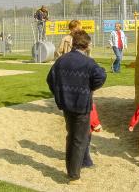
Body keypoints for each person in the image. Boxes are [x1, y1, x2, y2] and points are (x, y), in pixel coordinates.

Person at [47, 30, 106, 184]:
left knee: (71, 136)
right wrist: (90, 88)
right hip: (81, 106)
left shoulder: (61, 60)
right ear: (86, 45)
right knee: (79, 139)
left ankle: (76, 167)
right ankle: (73, 175)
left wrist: (60, 94)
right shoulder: (88, 62)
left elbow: (50, 79)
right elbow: (101, 76)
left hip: (66, 105)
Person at [82, 103, 102, 168]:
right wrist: (96, 125)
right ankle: (86, 162)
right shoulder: (87, 99)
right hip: (85, 127)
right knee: (85, 144)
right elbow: (92, 114)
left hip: (74, 125)